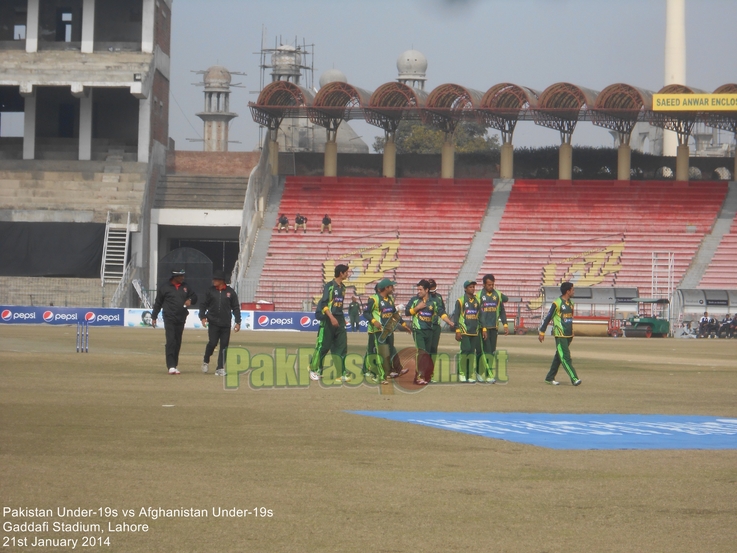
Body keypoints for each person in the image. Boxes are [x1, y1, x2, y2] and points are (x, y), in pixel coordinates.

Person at [406, 279, 453, 384]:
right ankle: (419, 377)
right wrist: (417, 308)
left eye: (420, 289)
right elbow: (407, 311)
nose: (418, 291)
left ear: (427, 290)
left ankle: (424, 376)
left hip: (430, 330)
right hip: (418, 330)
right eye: (418, 289)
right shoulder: (414, 300)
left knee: (427, 354)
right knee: (422, 352)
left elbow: (441, 312)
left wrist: (449, 322)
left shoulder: (434, 301)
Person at [364, 278, 411, 383]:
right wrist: (373, 321)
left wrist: (404, 324)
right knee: (381, 352)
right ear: (386, 288)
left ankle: (388, 372)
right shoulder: (374, 299)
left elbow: (394, 314)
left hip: (389, 329)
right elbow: (366, 313)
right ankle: (380, 376)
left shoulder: (390, 299)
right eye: (391, 287)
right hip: (379, 331)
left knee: (389, 352)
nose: (393, 288)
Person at [151, 269, 197, 375]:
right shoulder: (165, 288)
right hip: (169, 318)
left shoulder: (185, 287)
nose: (183, 278)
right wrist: (154, 316)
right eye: (181, 276)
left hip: (181, 318)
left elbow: (195, 297)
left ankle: (174, 365)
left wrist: (190, 300)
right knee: (171, 341)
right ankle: (170, 366)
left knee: (177, 342)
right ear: (175, 277)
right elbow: (158, 303)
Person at [310, 264, 349, 381]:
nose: (348, 274)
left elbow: (339, 305)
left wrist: (341, 319)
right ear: (341, 273)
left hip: (339, 319)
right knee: (324, 346)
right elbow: (324, 304)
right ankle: (314, 369)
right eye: (347, 272)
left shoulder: (343, 288)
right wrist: (331, 318)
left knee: (341, 346)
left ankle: (341, 373)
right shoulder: (329, 286)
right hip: (329, 319)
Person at [199, 270, 241, 376]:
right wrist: (203, 317)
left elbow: (236, 307)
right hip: (213, 322)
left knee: (224, 346)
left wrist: (238, 321)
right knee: (212, 343)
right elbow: (203, 304)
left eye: (216, 279)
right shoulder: (210, 291)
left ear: (222, 280)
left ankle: (220, 368)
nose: (214, 281)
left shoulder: (230, 292)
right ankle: (206, 360)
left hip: (225, 323)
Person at [539, 281, 581, 386]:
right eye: (573, 290)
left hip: (568, 335)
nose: (574, 292)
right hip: (560, 334)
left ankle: (549, 377)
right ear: (568, 291)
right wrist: (542, 331)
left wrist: (572, 331)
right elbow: (548, 317)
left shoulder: (571, 303)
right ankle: (574, 378)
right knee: (566, 357)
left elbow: (570, 319)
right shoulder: (557, 303)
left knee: (559, 356)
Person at [477, 274, 508, 383]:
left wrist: (505, 324)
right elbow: (479, 314)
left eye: (492, 284)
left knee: (492, 352)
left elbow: (502, 310)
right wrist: (483, 328)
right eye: (489, 284)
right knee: (486, 352)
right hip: (482, 329)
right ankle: (486, 374)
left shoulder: (497, 295)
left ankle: (482, 372)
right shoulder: (479, 295)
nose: (491, 286)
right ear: (484, 284)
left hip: (493, 327)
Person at [453, 280, 483, 382]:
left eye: (473, 287)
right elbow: (456, 316)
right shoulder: (460, 301)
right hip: (464, 330)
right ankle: (462, 373)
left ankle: (470, 374)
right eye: (470, 287)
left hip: (474, 331)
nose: (472, 289)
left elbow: (480, 316)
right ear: (465, 288)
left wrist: (483, 329)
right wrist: (457, 330)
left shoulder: (477, 301)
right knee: (465, 351)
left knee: (471, 353)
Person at [427, 278, 447, 357]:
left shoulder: (439, 297)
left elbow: (442, 309)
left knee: (434, 348)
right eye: (432, 291)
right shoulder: (424, 297)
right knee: (426, 348)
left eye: (435, 290)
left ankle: (432, 366)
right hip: (426, 325)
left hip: (436, 326)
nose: (434, 292)